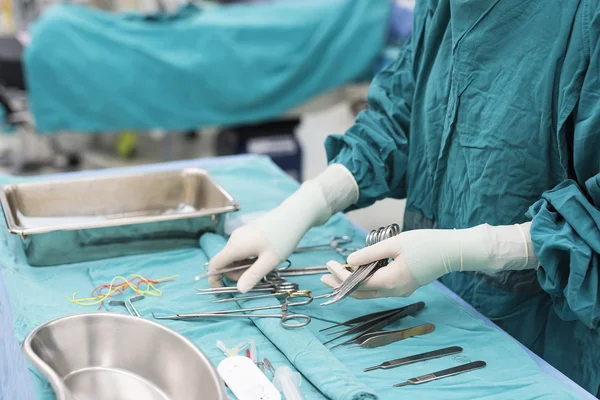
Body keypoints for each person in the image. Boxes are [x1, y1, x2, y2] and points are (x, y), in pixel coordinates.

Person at [209, 0, 600, 396]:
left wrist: (474, 248)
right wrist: (312, 201)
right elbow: (401, 114)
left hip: (548, 341)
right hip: (436, 305)